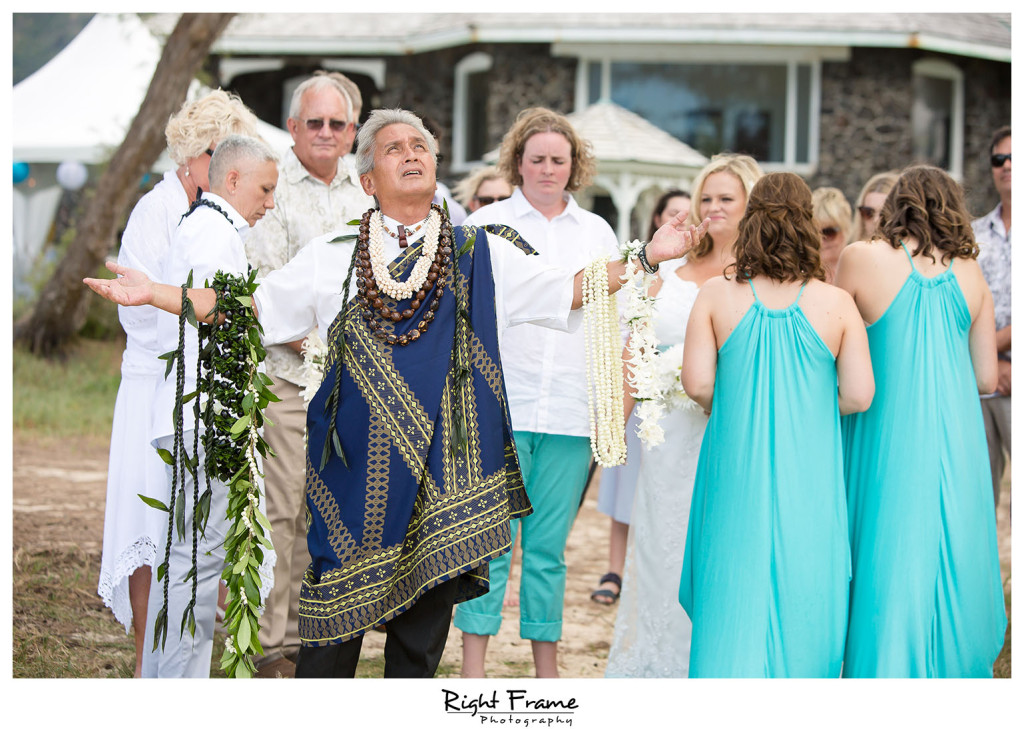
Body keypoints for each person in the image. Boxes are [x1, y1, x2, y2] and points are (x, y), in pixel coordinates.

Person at [84, 108, 708, 679]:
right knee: (329, 643)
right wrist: (158, 295)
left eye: (421, 147)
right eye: (392, 148)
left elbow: (570, 289)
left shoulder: (478, 251)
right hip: (355, 481)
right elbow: (250, 311)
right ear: (367, 181)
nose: (411, 154)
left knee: (418, 646)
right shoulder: (333, 255)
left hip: (448, 479)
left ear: (435, 171)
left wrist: (648, 258)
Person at [678, 171, 873, 678]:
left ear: (751, 222)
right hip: (808, 470)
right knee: (805, 584)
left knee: (731, 583)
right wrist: (802, 407)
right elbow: (858, 394)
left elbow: (697, 384)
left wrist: (747, 404)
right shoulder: (837, 304)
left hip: (734, 465)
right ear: (808, 224)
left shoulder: (717, 297)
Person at [452, 107, 621, 678]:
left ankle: (545, 672)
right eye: (537, 159)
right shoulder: (487, 226)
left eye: (559, 160)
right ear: (517, 163)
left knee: (548, 552)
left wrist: (606, 410)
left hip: (571, 413)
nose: (548, 169)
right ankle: (473, 672)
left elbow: (611, 326)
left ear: (574, 166)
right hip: (501, 408)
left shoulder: (598, 233)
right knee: (488, 548)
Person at [95, 91, 260, 677]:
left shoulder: (224, 216)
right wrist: (197, 322)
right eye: (216, 150)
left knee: (197, 542)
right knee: (155, 535)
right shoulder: (157, 210)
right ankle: (152, 669)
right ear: (193, 154)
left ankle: (179, 667)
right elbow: (139, 317)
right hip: (156, 388)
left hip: (208, 389)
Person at [836, 165, 1006, 678]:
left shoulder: (860, 258)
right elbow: (984, 376)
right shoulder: (971, 272)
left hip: (885, 429)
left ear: (896, 205)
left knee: (885, 551)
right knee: (946, 551)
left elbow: (835, 343)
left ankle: (882, 672)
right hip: (954, 433)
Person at [606, 158, 763, 676]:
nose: (714, 208)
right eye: (707, 198)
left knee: (726, 551)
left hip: (733, 432)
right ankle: (657, 667)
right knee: (661, 548)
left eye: (727, 199)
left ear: (751, 205)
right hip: (668, 436)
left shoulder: (763, 277)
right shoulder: (669, 275)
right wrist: (615, 430)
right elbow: (636, 350)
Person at [243, 74, 373, 678]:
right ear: (292, 127)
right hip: (288, 378)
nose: (325, 133)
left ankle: (311, 642)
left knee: (333, 516)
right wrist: (323, 347)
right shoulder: (273, 190)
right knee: (282, 510)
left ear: (353, 130)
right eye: (313, 122)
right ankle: (270, 647)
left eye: (337, 123)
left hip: (357, 389)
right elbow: (258, 288)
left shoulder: (368, 195)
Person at [136, 134, 279, 677]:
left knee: (191, 561)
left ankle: (167, 680)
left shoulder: (207, 227)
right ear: (234, 180)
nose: (270, 203)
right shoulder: (212, 233)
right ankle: (176, 686)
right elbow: (209, 312)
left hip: (206, 414)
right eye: (265, 189)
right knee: (196, 564)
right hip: (207, 418)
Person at [593, 188, 693, 607]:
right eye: (674, 213)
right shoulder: (645, 266)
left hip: (687, 392)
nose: (683, 221)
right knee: (626, 482)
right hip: (644, 384)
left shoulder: (704, 273)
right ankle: (615, 567)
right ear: (658, 219)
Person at [973, 126, 1011, 509]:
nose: (1006, 166)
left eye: (1014, 157)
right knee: (979, 495)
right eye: (999, 159)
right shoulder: (973, 234)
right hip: (980, 380)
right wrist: (992, 359)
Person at [811, 186, 852, 282]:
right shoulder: (800, 277)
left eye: (829, 232)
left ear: (845, 229)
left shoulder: (861, 271)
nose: (821, 239)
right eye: (814, 232)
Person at [849, 171, 898, 243]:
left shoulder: (913, 252)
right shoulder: (851, 251)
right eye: (868, 212)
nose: (876, 220)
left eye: (884, 213)